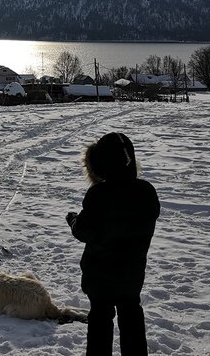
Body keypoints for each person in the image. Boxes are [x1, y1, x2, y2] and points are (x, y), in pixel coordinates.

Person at [66, 132, 160, 355]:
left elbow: (85, 231)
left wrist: (73, 221)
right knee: (131, 316)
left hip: (100, 279)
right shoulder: (146, 192)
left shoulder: (98, 195)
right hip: (132, 275)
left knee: (99, 319)